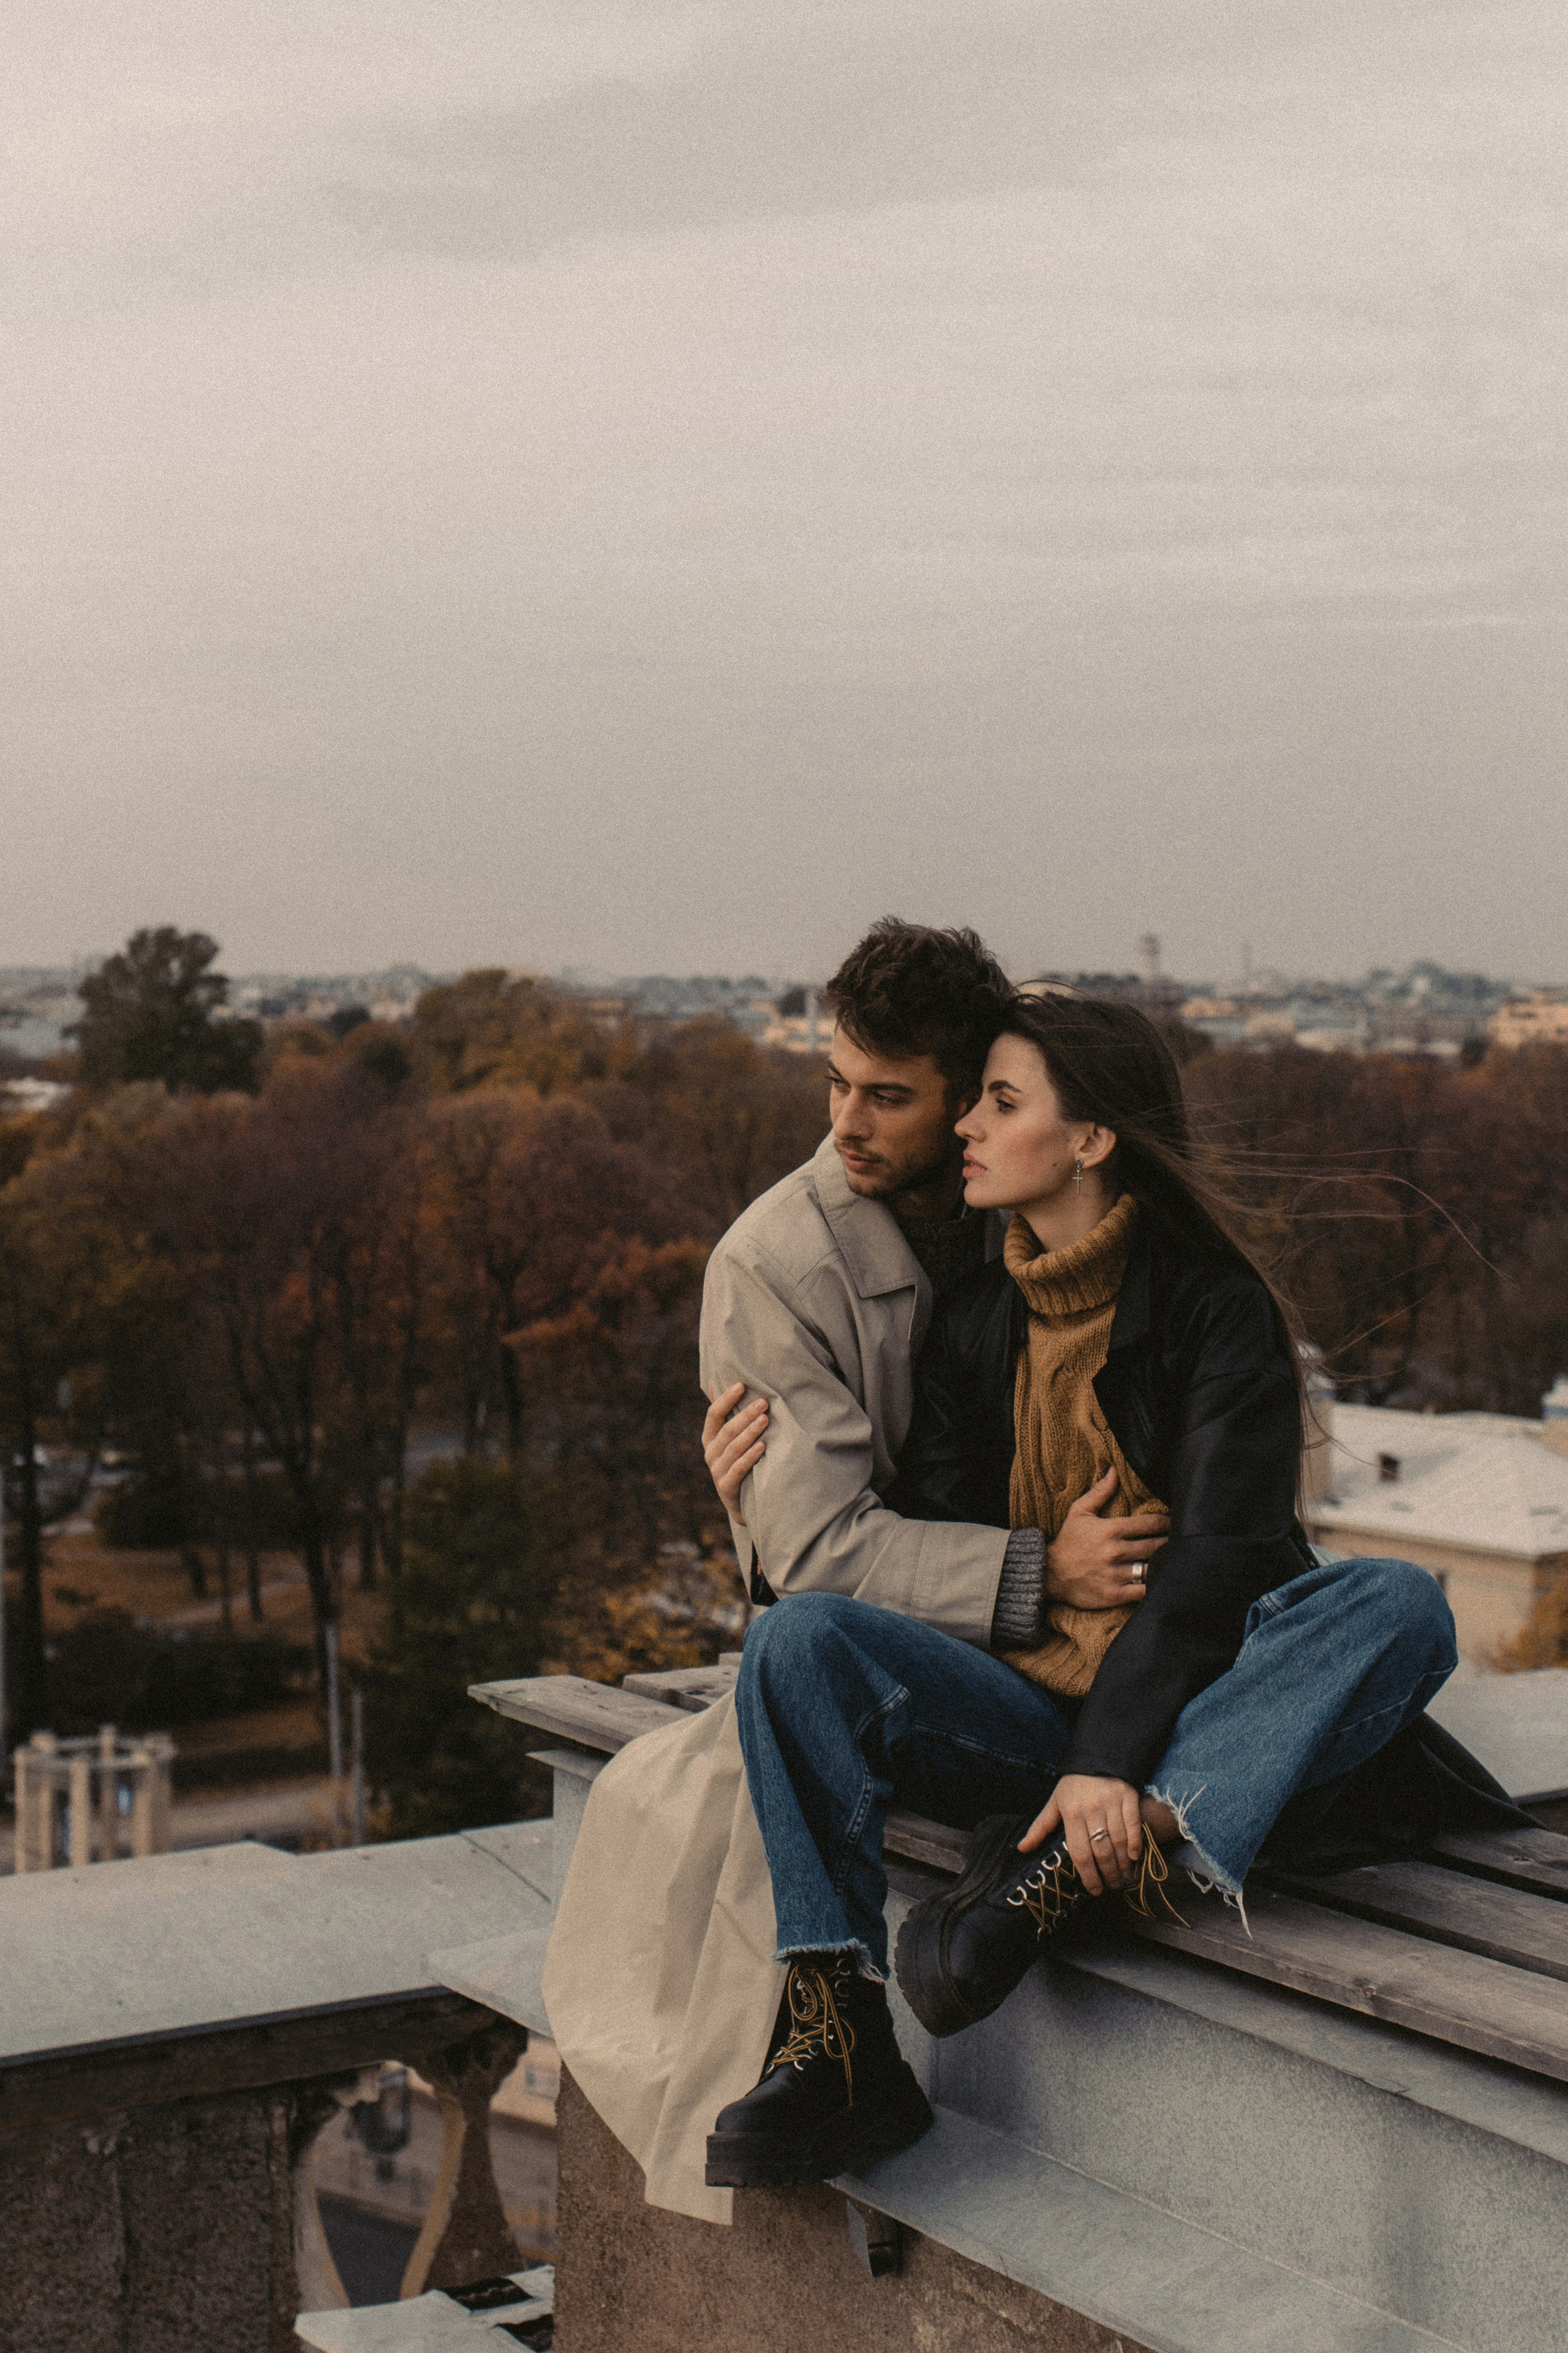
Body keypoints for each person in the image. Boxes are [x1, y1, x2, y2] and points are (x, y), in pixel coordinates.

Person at [703, 991, 1529, 2192]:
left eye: (1000, 1102)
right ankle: (838, 2039)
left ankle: (1087, 1860)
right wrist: (765, 1505)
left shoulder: (1212, 1310)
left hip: (1198, 1707)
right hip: (1027, 1714)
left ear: (1089, 1136)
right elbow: (919, 1536)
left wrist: (1110, 1767)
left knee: (1396, 1602)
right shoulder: (977, 1315)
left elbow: (1212, 1578)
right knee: (796, 1641)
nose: (968, 1131)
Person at [544, 918, 1155, 2221]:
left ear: (970, 1098)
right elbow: (816, 1551)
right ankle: (835, 2034)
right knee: (796, 1641)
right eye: (834, 1083)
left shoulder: (1060, 1219)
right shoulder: (777, 1260)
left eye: (889, 1094)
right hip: (952, 1667)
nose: (847, 1122)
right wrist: (1035, 1570)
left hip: (1124, 1675)